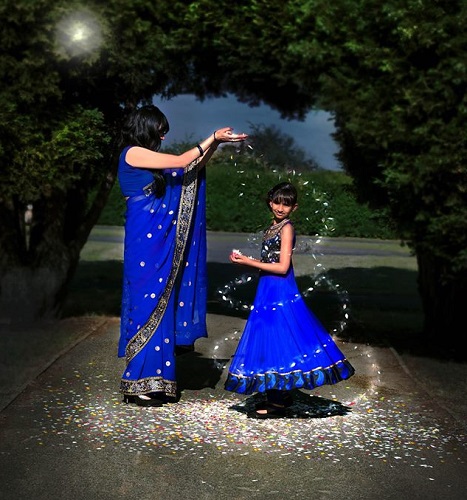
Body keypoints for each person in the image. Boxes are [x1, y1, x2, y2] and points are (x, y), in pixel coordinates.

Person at [117, 104, 248, 407]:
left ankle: (156, 382)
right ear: (145, 127)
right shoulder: (132, 153)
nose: (163, 136)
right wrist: (211, 136)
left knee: (162, 303)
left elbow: (192, 168)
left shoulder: (149, 159)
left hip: (156, 242)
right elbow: (180, 160)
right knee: (146, 304)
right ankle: (136, 383)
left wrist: (215, 144)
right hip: (144, 242)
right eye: (160, 130)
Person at [224, 181, 355, 418]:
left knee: (280, 337)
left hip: (280, 289)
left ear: (294, 207)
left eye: (286, 204)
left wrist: (248, 262)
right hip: (268, 289)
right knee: (271, 338)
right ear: (269, 202)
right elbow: (271, 262)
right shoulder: (272, 228)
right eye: (276, 202)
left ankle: (277, 401)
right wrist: (248, 261)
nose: (280, 208)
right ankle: (279, 394)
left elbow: (283, 267)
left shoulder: (286, 228)